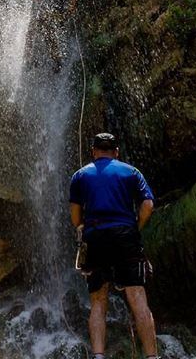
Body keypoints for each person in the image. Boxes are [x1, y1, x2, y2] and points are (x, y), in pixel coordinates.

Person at [69, 133, 159, 359]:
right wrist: (135, 227)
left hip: (96, 236)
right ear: (116, 151)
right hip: (125, 235)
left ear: (93, 151)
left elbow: (75, 217)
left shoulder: (80, 175)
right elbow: (148, 205)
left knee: (98, 300)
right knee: (138, 297)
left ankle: (98, 356)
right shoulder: (131, 172)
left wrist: (82, 226)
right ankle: (152, 356)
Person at [26, 0, 78, 73]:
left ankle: (32, 60)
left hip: (46, 12)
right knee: (52, 33)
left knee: (33, 32)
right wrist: (71, 7)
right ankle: (57, 61)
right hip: (60, 13)